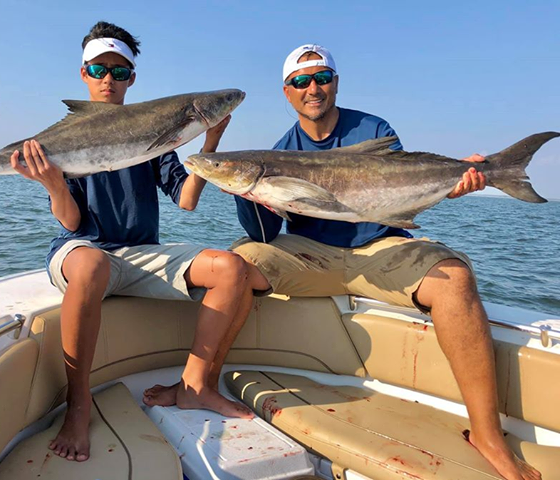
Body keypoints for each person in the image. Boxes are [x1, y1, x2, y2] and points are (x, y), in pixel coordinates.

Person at [232, 44, 541, 480]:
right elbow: (264, 235)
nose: (313, 88)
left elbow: (398, 197)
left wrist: (461, 179)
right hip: (311, 254)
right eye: (301, 81)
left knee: (454, 279)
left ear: (336, 82)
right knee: (232, 264)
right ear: (287, 92)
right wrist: (247, 193)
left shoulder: (373, 129)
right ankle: (199, 387)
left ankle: (488, 435)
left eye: (321, 77)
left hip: (379, 246)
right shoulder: (279, 151)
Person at [10, 21, 270, 462]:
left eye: (119, 71)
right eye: (99, 70)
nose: (108, 79)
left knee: (233, 268)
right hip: (84, 251)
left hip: (140, 254)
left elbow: (185, 202)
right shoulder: (65, 139)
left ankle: (195, 387)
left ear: (132, 78)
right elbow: (72, 224)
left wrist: (210, 141)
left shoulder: (157, 137)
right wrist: (55, 184)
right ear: (84, 74)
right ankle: (78, 406)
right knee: (91, 265)